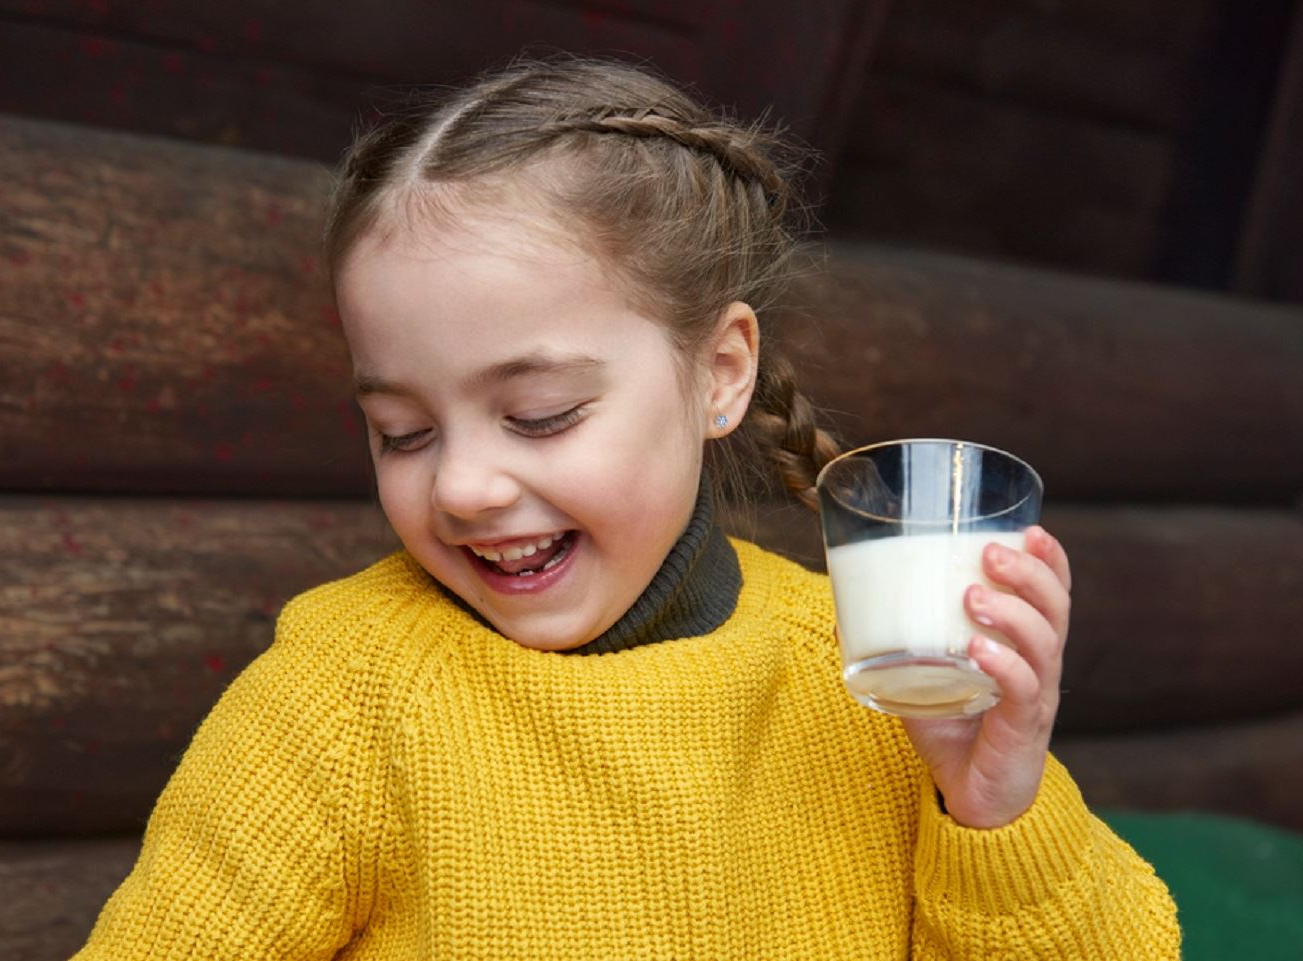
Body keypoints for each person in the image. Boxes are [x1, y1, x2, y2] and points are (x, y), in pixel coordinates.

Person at [73, 57, 1180, 958]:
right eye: (402, 432)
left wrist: (994, 811)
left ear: (719, 372)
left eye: (541, 413)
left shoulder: (873, 683)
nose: (459, 485)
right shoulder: (345, 698)